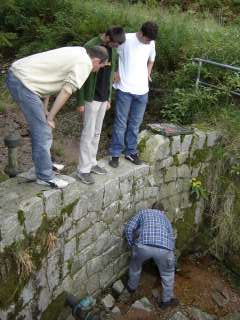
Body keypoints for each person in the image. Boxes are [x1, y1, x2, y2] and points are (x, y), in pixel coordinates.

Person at [6, 46, 108, 188]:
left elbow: (47, 84)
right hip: (23, 82)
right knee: (42, 130)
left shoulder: (79, 52)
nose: (99, 69)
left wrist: (45, 109)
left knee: (42, 128)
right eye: (102, 65)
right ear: (96, 60)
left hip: (21, 76)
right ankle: (44, 176)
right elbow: (66, 91)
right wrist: (50, 117)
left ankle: (40, 167)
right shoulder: (85, 63)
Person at [76, 27, 125, 185]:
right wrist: (80, 101)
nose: (116, 47)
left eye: (118, 45)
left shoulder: (113, 50)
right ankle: (83, 170)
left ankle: (92, 162)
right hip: (91, 98)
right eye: (115, 44)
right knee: (88, 133)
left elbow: (110, 74)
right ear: (107, 37)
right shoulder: (90, 46)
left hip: (104, 97)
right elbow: (80, 75)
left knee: (97, 132)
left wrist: (109, 97)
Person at [109, 21, 158, 168]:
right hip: (125, 88)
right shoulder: (126, 39)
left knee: (135, 124)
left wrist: (148, 73)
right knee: (120, 123)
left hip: (143, 91)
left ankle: (131, 151)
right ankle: (116, 153)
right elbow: (112, 54)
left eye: (151, 40)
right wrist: (115, 70)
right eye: (147, 39)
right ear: (141, 33)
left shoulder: (151, 43)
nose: (149, 42)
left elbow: (151, 60)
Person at [124, 203, 179, 309]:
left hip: (143, 245)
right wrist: (170, 257)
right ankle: (165, 302)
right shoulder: (165, 219)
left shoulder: (143, 212)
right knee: (167, 275)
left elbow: (128, 228)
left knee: (135, 267)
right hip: (164, 249)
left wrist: (132, 245)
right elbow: (172, 238)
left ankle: (131, 288)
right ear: (163, 211)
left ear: (151, 208)